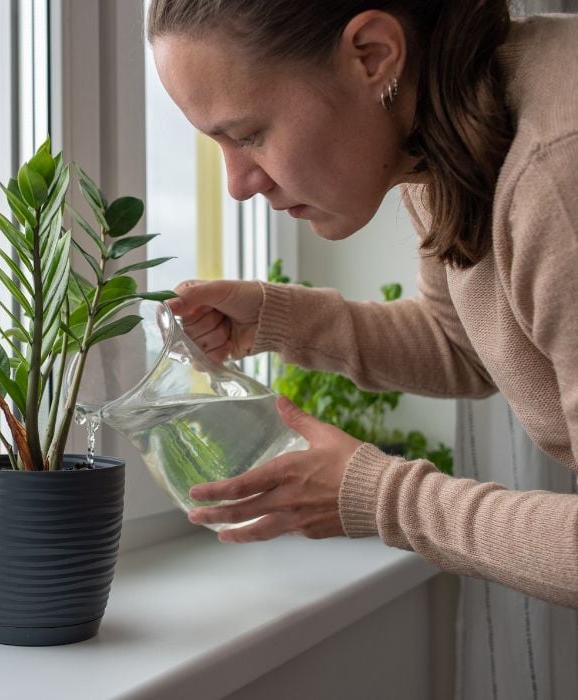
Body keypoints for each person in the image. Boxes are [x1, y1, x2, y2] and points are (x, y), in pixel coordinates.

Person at [148, 0, 578, 609]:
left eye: (248, 134)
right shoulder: (441, 129)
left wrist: (382, 498)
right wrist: (276, 317)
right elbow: (470, 346)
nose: (238, 183)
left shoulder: (557, 170)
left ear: (373, 56)